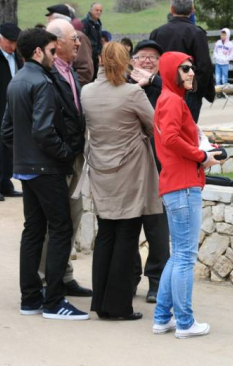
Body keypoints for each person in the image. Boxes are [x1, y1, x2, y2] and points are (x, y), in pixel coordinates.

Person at [1, 28, 89, 320]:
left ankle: (31, 299)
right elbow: (41, 130)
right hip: (47, 169)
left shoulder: (17, 81)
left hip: (27, 169)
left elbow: (8, 131)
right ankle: (53, 301)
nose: (55, 56)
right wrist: (64, 153)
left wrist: (26, 155)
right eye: (52, 51)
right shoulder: (42, 81)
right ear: (38, 52)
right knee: (61, 229)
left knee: (34, 230)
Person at [79, 42, 162, 320]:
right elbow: (154, 127)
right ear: (126, 62)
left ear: (101, 61)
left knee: (106, 235)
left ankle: (101, 302)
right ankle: (119, 305)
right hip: (130, 172)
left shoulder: (86, 92)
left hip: (101, 171)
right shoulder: (132, 93)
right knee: (126, 236)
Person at [152, 51, 221, 338]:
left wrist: (203, 152)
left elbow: (173, 138)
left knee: (178, 255)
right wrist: (201, 155)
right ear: (171, 72)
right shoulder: (171, 100)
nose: (191, 73)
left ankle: (162, 318)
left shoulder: (170, 99)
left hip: (177, 184)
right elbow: (170, 138)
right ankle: (184, 322)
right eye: (184, 69)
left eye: (191, 68)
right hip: (182, 186)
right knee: (184, 257)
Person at [37, 19, 92, 297]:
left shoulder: (68, 70)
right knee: (58, 221)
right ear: (57, 43)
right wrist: (65, 153)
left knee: (74, 214)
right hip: (61, 159)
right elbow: (46, 125)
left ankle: (63, 275)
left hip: (74, 155)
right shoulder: (47, 74)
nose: (78, 43)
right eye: (74, 39)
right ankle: (49, 277)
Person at [128, 40, 170, 303]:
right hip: (129, 168)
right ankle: (130, 278)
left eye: (153, 57)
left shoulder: (165, 85)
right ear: (132, 61)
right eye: (142, 56)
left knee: (157, 230)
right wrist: (136, 87)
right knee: (129, 228)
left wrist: (152, 80)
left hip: (158, 167)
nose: (146, 61)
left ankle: (156, 282)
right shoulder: (122, 83)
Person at [150, 0, 215, 123]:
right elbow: (205, 66)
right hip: (188, 92)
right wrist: (196, 91)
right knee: (187, 135)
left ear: (172, 9)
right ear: (192, 10)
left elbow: (152, 63)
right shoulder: (196, 33)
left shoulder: (157, 33)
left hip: (163, 90)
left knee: (166, 131)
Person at [0, 23, 23, 202]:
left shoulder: (16, 57)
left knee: (8, 148)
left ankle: (5, 184)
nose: (13, 46)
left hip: (12, 108)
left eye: (15, 42)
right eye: (10, 42)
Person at [46, 4, 94, 86]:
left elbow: (85, 70)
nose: (48, 21)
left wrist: (72, 87)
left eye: (51, 19)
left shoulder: (80, 37)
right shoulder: (46, 38)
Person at [82, 2, 103, 81]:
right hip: (88, 55)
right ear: (91, 11)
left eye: (101, 10)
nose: (99, 12)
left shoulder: (98, 23)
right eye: (97, 10)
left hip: (96, 56)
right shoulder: (85, 23)